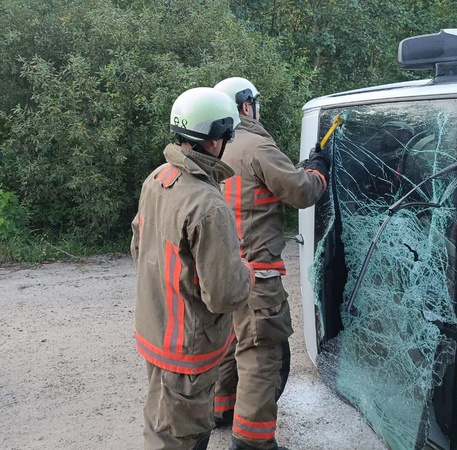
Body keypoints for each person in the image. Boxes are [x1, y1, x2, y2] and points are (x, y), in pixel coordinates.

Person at [131, 87, 255, 450]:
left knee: (161, 420)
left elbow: (140, 250)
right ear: (216, 140)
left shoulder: (158, 178)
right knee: (179, 437)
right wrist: (245, 270)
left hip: (157, 332)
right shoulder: (208, 204)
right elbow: (225, 294)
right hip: (187, 349)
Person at [212, 77, 329, 450]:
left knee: (231, 343)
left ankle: (220, 410)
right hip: (257, 276)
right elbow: (302, 191)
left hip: (223, 272)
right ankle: (252, 441)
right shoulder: (257, 145)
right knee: (261, 356)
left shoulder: (216, 149)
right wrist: (317, 169)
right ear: (246, 106)